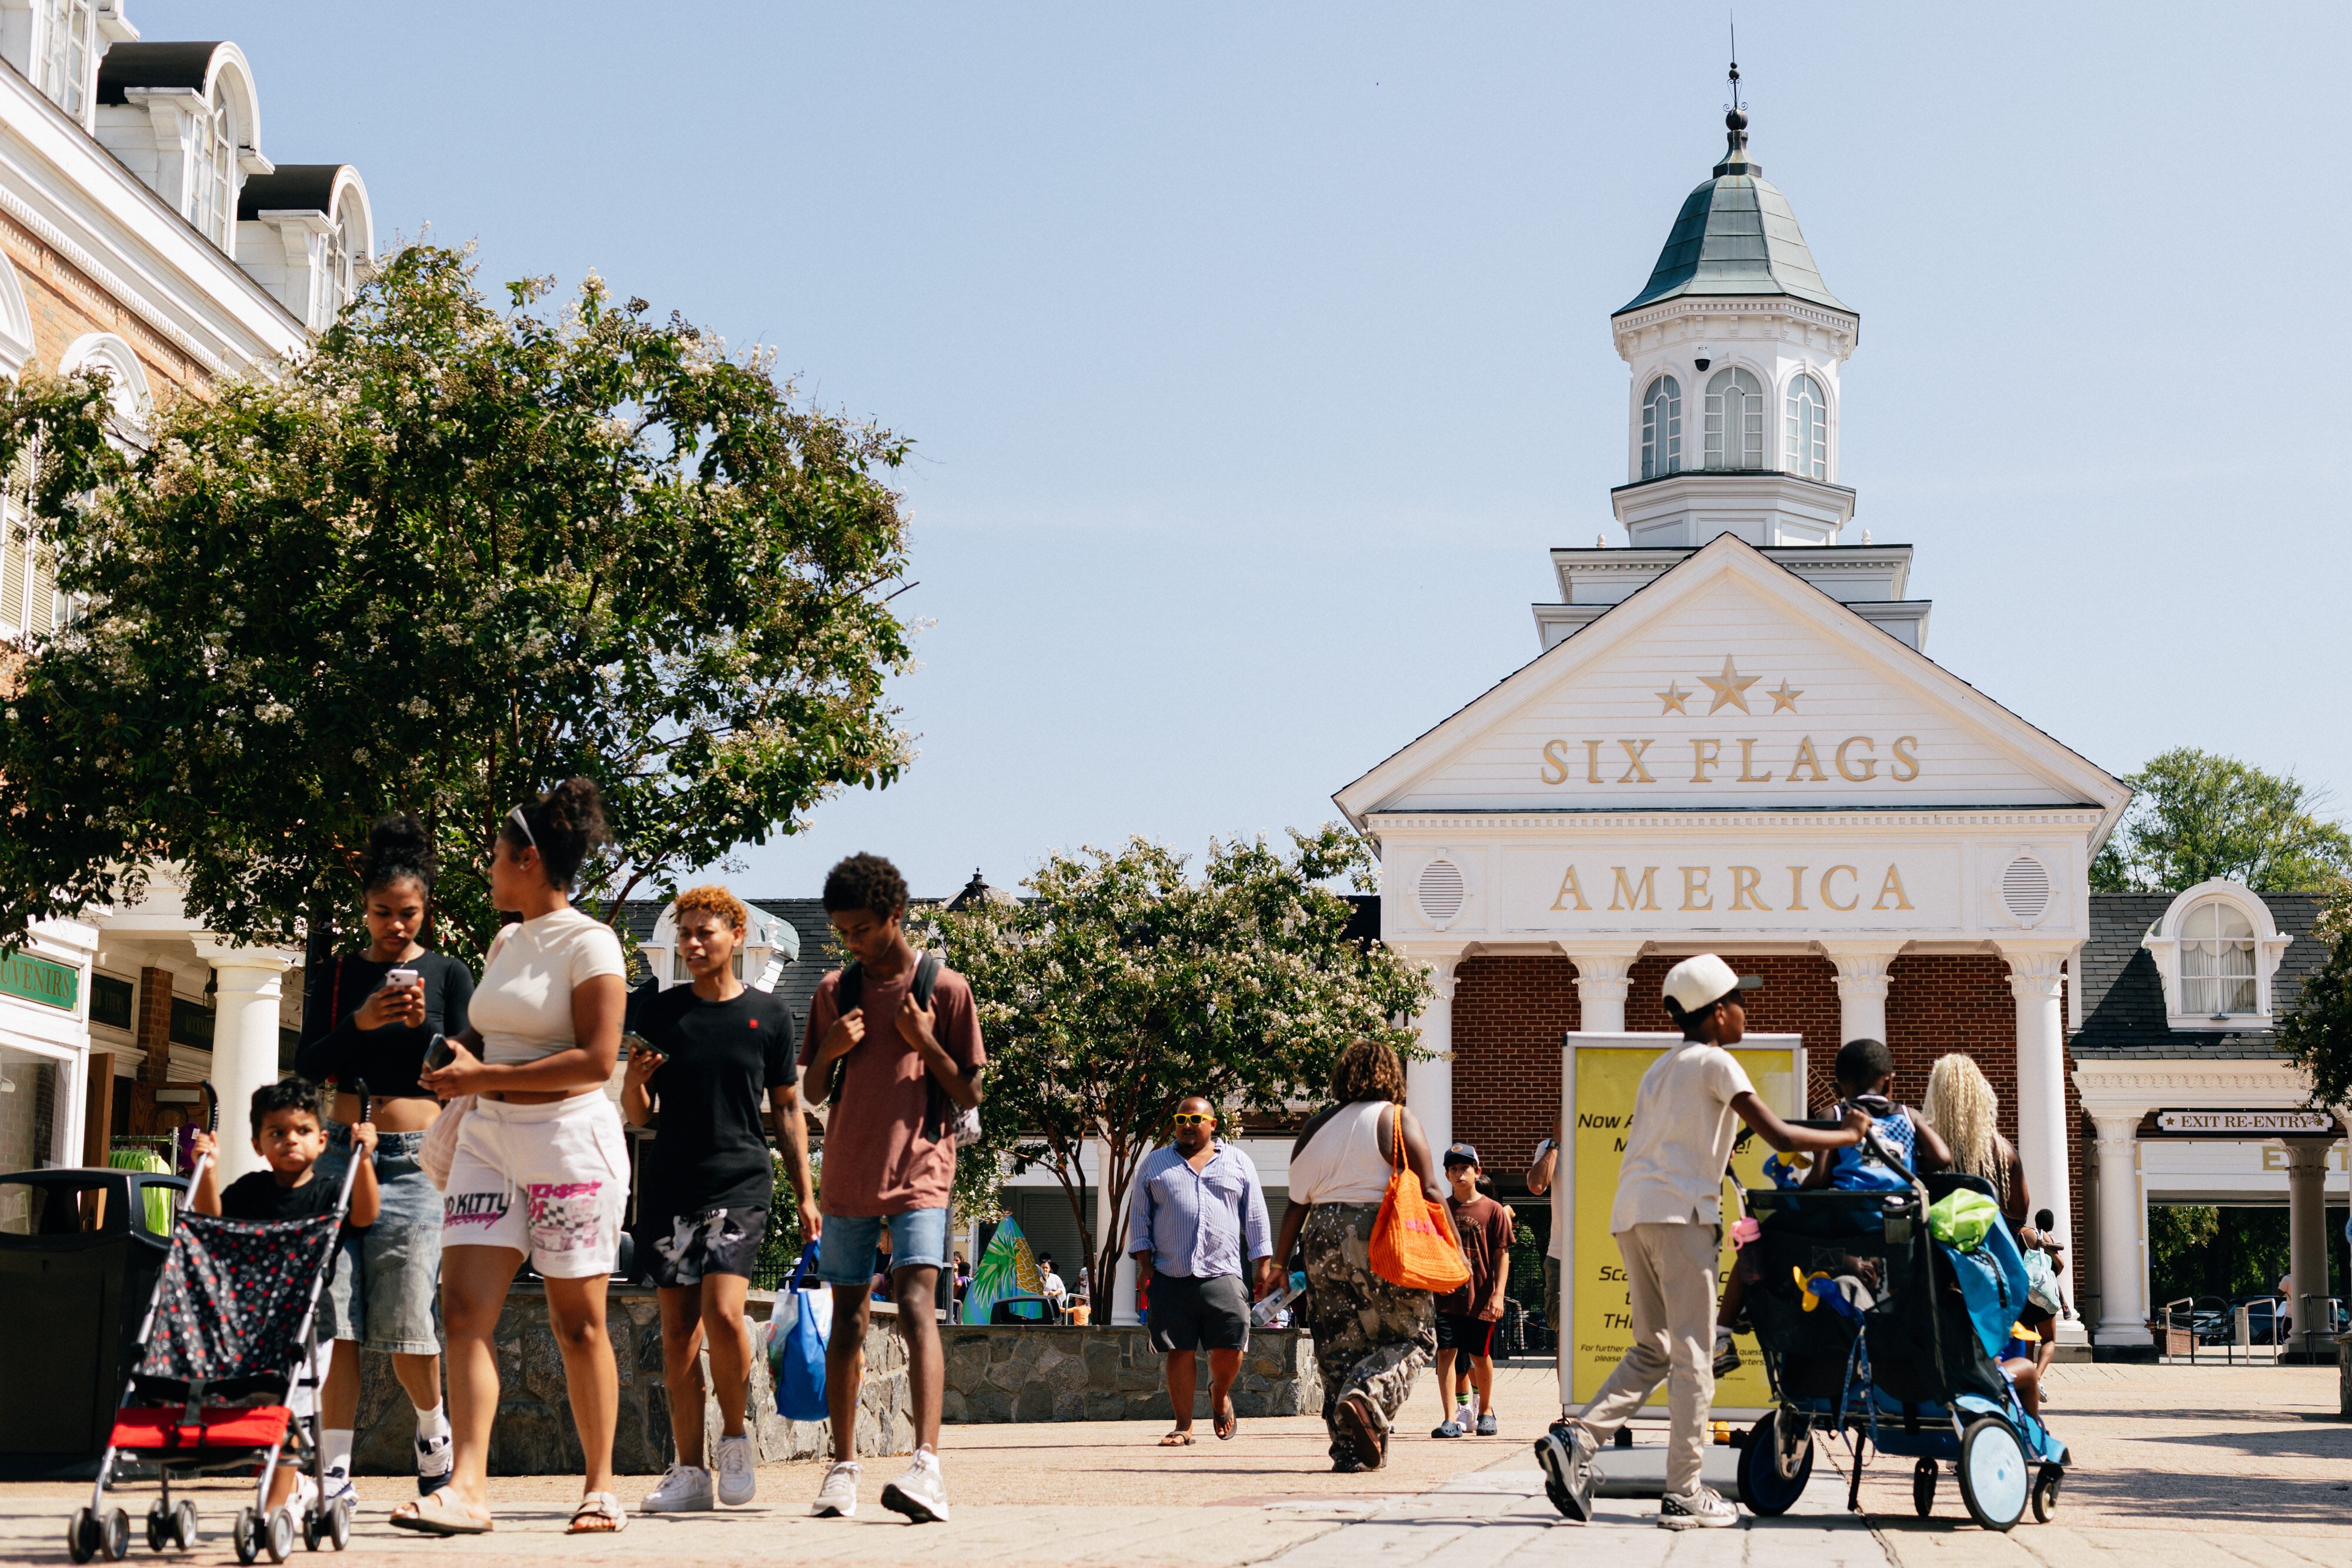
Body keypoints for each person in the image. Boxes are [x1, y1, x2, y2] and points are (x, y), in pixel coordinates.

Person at [1536, 955, 1867, 1531]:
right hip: (1681, 1217)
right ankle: (1684, 1492)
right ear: (1717, 1013)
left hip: (1632, 1216)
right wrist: (1851, 1133)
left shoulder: (1660, 1070)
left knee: (1655, 1347)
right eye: (1740, 1001)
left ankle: (1577, 1438)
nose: (1746, 1011)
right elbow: (1781, 1135)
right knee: (1693, 1355)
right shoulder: (1718, 1063)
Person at [395, 779, 632, 1537]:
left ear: (529, 860)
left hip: (569, 1143)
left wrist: (484, 1072)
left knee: (578, 1323)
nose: (487, 864)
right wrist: (465, 1060)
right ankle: (467, 1487)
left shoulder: (592, 943)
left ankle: (600, 1487)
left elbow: (597, 1061)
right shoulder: (504, 941)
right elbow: (504, 1043)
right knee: (462, 1311)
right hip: (488, 1140)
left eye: (496, 854)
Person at [293, 813, 472, 1506]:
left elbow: (462, 1066)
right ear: (363, 910)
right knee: (335, 1316)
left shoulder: (450, 972)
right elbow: (309, 1065)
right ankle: (334, 1472)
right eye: (381, 914)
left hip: (416, 1163)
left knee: (405, 1319)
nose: (394, 927)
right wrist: (361, 1022)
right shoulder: (338, 976)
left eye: (407, 915)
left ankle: (432, 1431)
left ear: (425, 910)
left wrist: (421, 1026)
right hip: (339, 1157)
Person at [801, 853, 984, 1524]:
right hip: (848, 1173)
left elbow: (967, 1090)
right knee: (847, 1321)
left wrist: (924, 1042)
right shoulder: (832, 993)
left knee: (916, 1304)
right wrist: (829, 1051)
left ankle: (927, 1465)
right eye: (842, 931)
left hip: (922, 1172)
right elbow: (813, 1093)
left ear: (893, 917)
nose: (851, 941)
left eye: (860, 929)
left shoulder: (946, 988)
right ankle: (842, 1466)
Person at [623, 885, 818, 1515]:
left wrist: (807, 1193)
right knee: (677, 1332)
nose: (694, 943)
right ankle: (689, 1469)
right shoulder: (659, 1014)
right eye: (685, 934)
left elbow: (788, 1110)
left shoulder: (768, 1017)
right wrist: (633, 1081)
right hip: (670, 1180)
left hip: (739, 1180)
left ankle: (734, 1437)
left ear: (737, 935)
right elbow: (638, 1116)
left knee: (725, 1314)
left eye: (706, 932)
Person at [191, 1080, 379, 1518]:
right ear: (258, 1144)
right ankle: (297, 1485)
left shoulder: (330, 1192)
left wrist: (363, 1161)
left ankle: (270, 1510)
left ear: (322, 1139)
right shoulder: (252, 1190)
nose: (289, 1139)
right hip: (257, 1327)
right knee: (263, 1414)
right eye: (276, 1132)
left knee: (285, 1419)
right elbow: (213, 1222)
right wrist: (210, 1170)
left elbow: (366, 1213)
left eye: (301, 1130)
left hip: (313, 1327)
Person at [1267, 1039, 1456, 1473]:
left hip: (1320, 1235)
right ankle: (1368, 1398)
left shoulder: (1315, 1126)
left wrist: (1279, 1266)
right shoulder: (1395, 1118)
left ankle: (1350, 1451)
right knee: (1414, 1334)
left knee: (1338, 1346)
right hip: (1379, 1232)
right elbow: (1428, 1187)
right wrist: (1453, 1245)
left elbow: (1296, 1202)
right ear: (1391, 1073)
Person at [1128, 1095, 1273, 1446]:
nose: (1187, 1125)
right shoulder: (1155, 1164)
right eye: (1181, 1119)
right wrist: (1145, 1266)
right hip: (1170, 1272)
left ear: (1213, 1125)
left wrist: (1264, 1267)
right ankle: (1183, 1425)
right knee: (1179, 1349)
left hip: (1222, 1270)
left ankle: (1219, 1393)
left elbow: (1255, 1217)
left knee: (1231, 1344)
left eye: (1195, 1119)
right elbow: (1139, 1219)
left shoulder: (1238, 1162)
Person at [1430, 1145, 1511, 1438]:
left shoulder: (1493, 1210)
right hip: (1447, 1298)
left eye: (1464, 1168)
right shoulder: (1441, 1211)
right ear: (1447, 1175)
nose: (1458, 1173)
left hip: (1482, 1298)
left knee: (1480, 1355)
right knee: (1446, 1354)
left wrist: (1498, 1293)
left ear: (1477, 1172)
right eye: (1452, 1169)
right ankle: (1450, 1418)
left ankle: (1486, 1411)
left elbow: (1503, 1255)